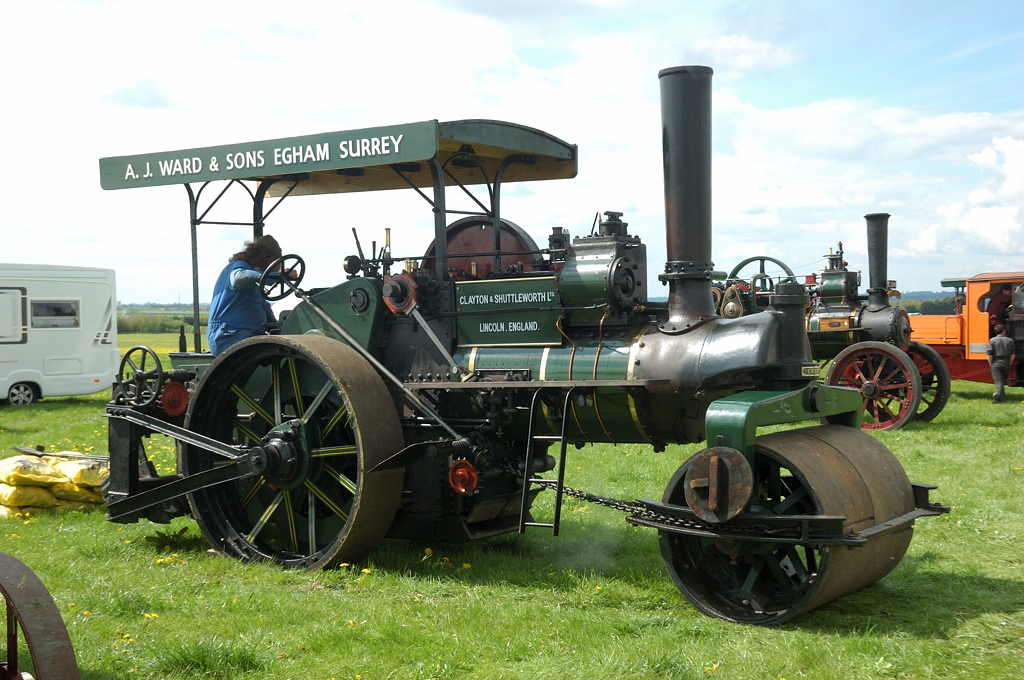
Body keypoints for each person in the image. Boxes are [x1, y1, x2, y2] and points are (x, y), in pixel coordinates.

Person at [207, 234, 290, 356]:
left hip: (245, 334)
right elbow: (238, 278)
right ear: (267, 258)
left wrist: (280, 330)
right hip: (228, 336)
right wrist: (275, 277)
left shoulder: (254, 284)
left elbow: (264, 308)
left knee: (281, 351)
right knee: (276, 354)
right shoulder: (239, 267)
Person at [986, 324, 1016, 403]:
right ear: (1004, 331)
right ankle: (1001, 400)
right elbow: (1013, 354)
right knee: (1002, 382)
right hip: (1006, 362)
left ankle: (997, 395)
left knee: (998, 382)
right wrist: (1009, 363)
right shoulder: (1010, 341)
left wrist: (991, 364)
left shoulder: (992, 340)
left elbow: (989, 354)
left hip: (996, 362)